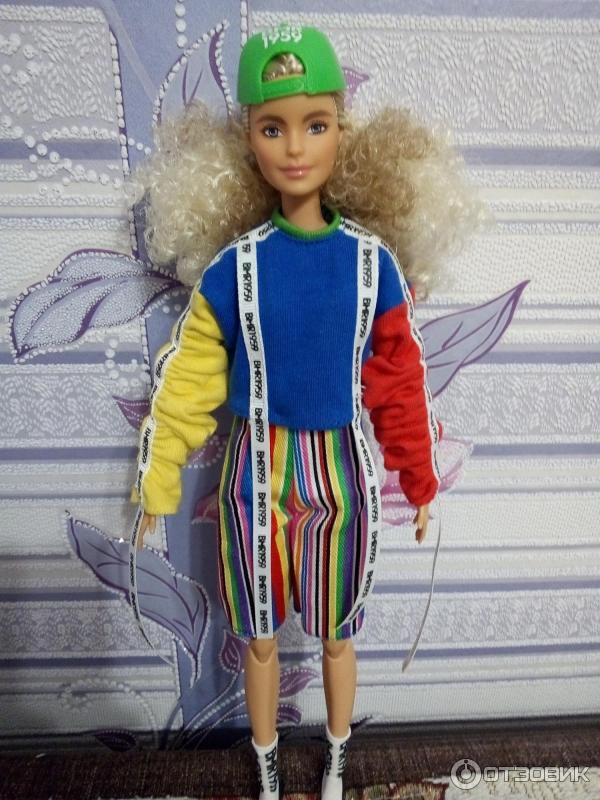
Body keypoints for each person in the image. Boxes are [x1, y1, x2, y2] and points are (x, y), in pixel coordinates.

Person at [127, 21, 485, 800]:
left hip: (341, 477)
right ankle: (264, 765)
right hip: (254, 476)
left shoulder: (371, 265)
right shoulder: (235, 269)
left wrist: (418, 478)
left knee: (337, 636)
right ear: (247, 141)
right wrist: (159, 475)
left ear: (342, 133)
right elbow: (191, 378)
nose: (295, 148)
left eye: (315, 125)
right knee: (258, 638)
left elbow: (397, 380)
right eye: (273, 127)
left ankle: (338, 758)